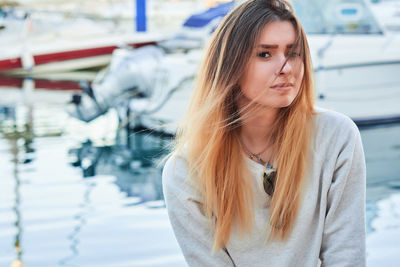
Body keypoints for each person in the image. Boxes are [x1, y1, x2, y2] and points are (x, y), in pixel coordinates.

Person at [162, 0, 366, 266]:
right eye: (265, 54)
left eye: (293, 53)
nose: (286, 68)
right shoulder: (185, 170)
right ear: (230, 66)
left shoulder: (337, 137)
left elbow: (346, 256)